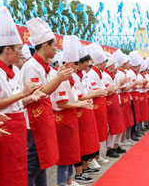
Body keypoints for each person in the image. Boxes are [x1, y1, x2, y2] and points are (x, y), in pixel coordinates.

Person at [0, 8, 46, 186]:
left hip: (17, 127)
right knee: (3, 174)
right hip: (1, 129)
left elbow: (14, 101)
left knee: (18, 173)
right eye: (19, 49)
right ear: (7, 49)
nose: (22, 53)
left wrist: (28, 98)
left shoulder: (14, 70)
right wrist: (22, 94)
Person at [22, 17, 74, 186]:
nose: (55, 49)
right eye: (54, 46)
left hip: (43, 119)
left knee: (41, 162)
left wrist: (58, 77)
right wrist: (58, 78)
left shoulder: (43, 67)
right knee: (33, 165)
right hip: (32, 123)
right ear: (45, 46)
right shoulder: (31, 67)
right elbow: (38, 94)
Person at [51, 36, 92, 186]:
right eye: (75, 64)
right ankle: (62, 181)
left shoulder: (70, 79)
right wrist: (80, 103)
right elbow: (61, 103)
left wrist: (80, 103)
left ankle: (69, 180)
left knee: (71, 152)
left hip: (70, 118)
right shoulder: (62, 79)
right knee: (65, 154)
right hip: (63, 119)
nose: (77, 67)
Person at [72, 43, 101, 183]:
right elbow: (78, 96)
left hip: (85, 110)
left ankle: (85, 166)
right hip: (78, 112)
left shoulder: (82, 75)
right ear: (79, 62)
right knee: (79, 143)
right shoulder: (72, 76)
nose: (88, 65)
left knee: (88, 141)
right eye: (86, 63)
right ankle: (78, 173)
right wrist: (95, 93)